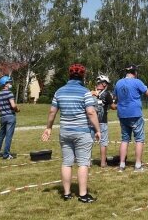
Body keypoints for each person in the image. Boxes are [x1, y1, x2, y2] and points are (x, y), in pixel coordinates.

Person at [41, 63, 101, 203]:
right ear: (82, 77)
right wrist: (98, 130)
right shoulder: (85, 92)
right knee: (83, 163)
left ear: (69, 76)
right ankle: (83, 194)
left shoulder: (59, 91)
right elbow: (91, 112)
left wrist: (48, 127)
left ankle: (67, 193)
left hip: (65, 131)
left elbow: (52, 111)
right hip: (82, 132)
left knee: (67, 162)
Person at [114, 64, 148, 172]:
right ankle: (138, 165)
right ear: (135, 73)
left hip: (122, 113)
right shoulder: (137, 81)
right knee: (139, 139)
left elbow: (115, 97)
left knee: (124, 139)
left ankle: (121, 165)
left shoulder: (118, 82)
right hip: (135, 113)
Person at [91, 74, 116, 168]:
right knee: (103, 142)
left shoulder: (91, 93)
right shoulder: (106, 94)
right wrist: (120, 105)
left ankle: (87, 162)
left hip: (91, 121)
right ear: (104, 84)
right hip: (102, 121)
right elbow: (113, 107)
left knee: (90, 142)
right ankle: (102, 162)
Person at [0, 75, 19, 159]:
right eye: (9, 82)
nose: (10, 83)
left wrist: (3, 108)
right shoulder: (9, 93)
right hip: (10, 116)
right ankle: (6, 155)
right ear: (5, 84)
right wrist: (17, 109)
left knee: (1, 136)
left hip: (2, 117)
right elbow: (13, 105)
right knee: (8, 136)